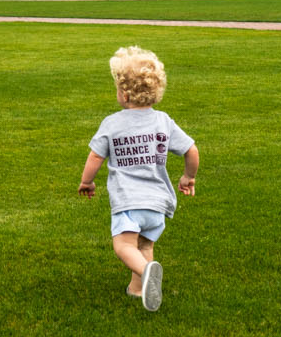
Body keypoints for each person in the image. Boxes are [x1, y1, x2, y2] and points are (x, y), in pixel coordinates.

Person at [77, 45, 199, 312]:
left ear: (124, 93)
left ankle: (146, 272)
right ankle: (137, 289)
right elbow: (191, 149)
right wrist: (188, 177)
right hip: (158, 203)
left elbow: (95, 157)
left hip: (129, 202)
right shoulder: (163, 121)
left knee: (123, 246)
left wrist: (87, 182)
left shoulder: (112, 123)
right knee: (144, 244)